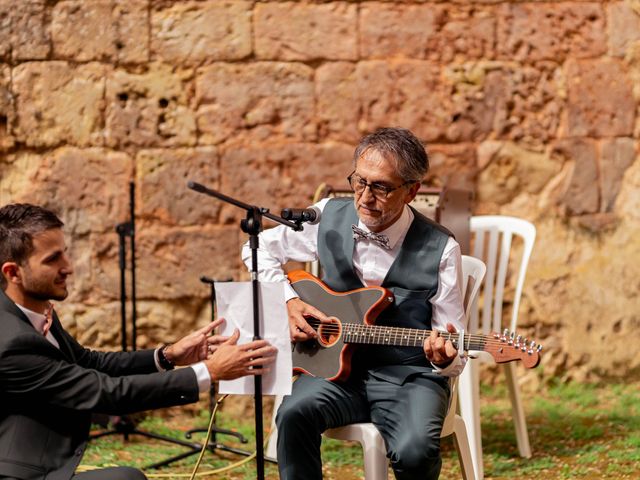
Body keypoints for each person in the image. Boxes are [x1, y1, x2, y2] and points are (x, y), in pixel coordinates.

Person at [242, 127, 466, 480]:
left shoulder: (442, 248)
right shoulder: (328, 216)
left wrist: (446, 358)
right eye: (359, 182)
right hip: (334, 371)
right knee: (293, 414)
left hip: (407, 376)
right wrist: (287, 301)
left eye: (380, 187)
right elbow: (257, 250)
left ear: (412, 191)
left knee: (415, 452)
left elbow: (454, 339)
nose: (364, 197)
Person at [0, 203, 277, 480]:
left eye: (65, 254)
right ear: (13, 273)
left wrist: (168, 356)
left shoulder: (35, 309)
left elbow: (90, 363)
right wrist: (209, 372)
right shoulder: (11, 343)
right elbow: (108, 393)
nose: (68, 267)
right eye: (52, 259)